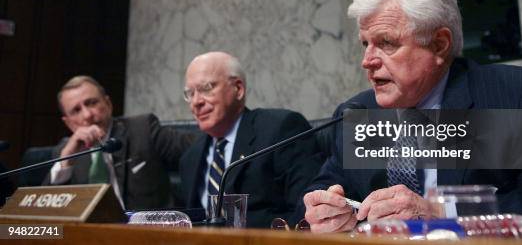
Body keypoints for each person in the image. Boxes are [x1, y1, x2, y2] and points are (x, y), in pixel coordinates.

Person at [302, 0, 522, 237]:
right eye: (365, 43)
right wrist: (324, 211)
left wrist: (442, 214)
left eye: (387, 43)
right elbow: (322, 190)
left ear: (439, 44)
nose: (367, 60)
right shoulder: (358, 114)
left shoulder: (517, 95)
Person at [179, 51, 322, 228]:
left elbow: (307, 214)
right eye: (189, 93)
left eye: (206, 88)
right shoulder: (190, 157)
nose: (196, 102)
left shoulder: (281, 130)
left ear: (238, 89)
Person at [47, 76, 195, 210]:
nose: (87, 115)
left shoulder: (143, 129)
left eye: (92, 103)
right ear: (68, 123)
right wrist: (66, 162)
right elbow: (43, 211)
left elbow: (197, 149)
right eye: (76, 110)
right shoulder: (65, 152)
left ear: (108, 103)